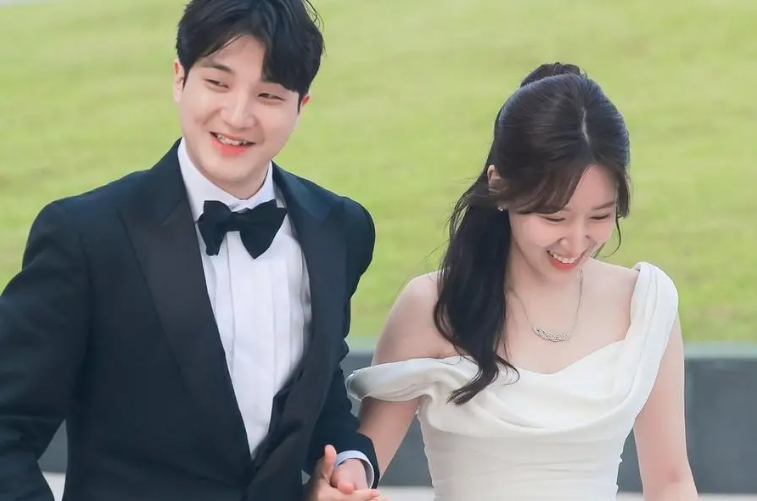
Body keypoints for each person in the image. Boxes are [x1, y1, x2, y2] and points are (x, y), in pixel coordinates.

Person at [0, 1, 384, 500]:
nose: (238, 115)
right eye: (218, 83)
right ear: (180, 79)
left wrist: (348, 462)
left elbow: (318, 393)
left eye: (268, 94)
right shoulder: (86, 236)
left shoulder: (340, 229)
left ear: (300, 107)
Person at [346, 63, 700, 501]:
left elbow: (671, 481)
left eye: (600, 216)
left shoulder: (644, 304)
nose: (576, 241)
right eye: (554, 217)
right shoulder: (434, 305)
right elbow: (360, 467)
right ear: (500, 186)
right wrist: (341, 480)